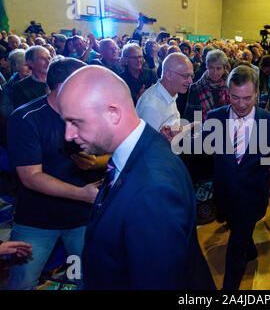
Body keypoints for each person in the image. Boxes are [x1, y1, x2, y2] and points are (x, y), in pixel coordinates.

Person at [57, 65, 215, 290]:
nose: (68, 135)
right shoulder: (140, 147)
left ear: (113, 113)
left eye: (75, 122)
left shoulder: (153, 190)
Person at [168, 65, 270, 290]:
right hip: (224, 194)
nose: (240, 104)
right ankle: (250, 249)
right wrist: (179, 140)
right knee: (240, 233)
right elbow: (203, 145)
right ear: (228, 92)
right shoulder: (215, 116)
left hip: (252, 197)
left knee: (236, 247)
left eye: (247, 98)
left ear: (257, 94)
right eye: (235, 97)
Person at [6, 57, 103, 290]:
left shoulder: (89, 113)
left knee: (84, 277)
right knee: (23, 282)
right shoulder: (26, 118)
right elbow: (31, 176)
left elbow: (107, 151)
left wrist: (96, 163)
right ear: (64, 87)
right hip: (37, 221)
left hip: (81, 220)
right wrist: (82, 194)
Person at [136, 52, 193, 133]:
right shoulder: (151, 106)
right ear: (169, 75)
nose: (190, 81)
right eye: (185, 76)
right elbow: (147, 144)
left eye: (191, 76)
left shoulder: (169, 94)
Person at [184, 49, 229, 123]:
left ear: (224, 68)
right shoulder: (196, 88)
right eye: (211, 68)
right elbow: (192, 116)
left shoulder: (231, 86)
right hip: (204, 130)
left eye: (218, 68)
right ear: (206, 67)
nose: (215, 72)